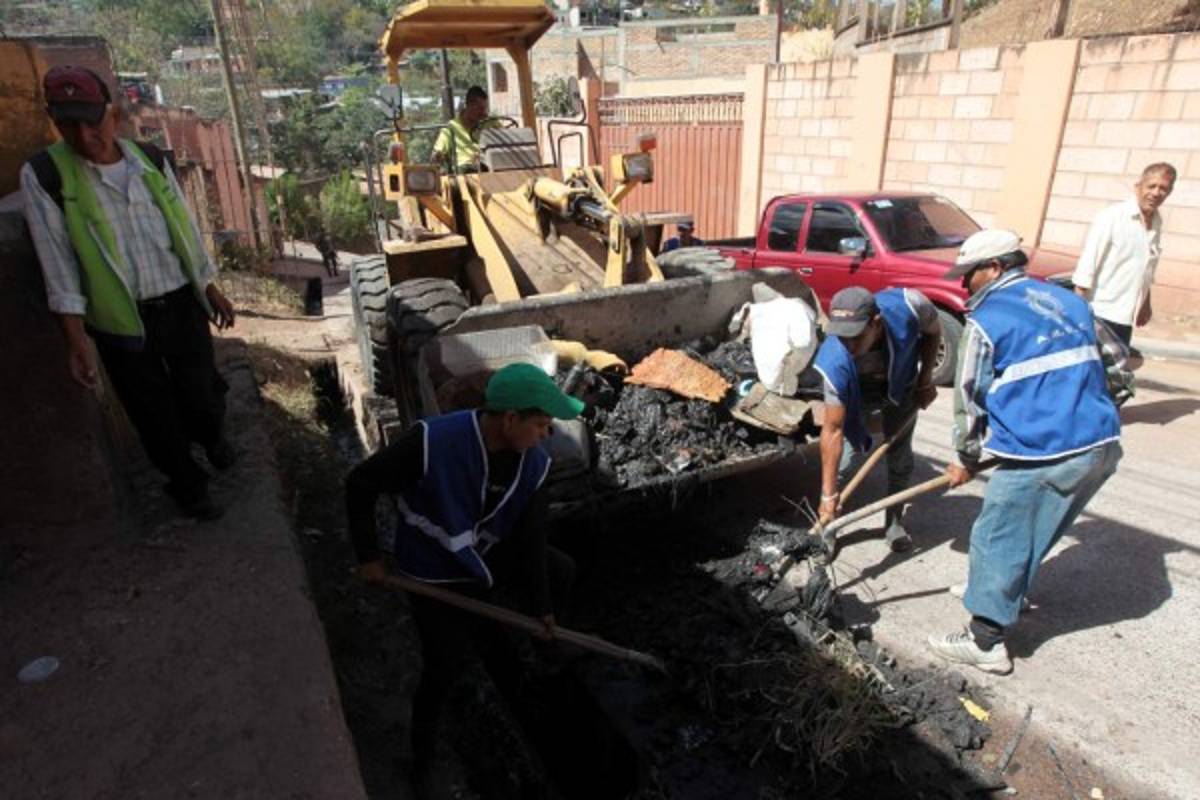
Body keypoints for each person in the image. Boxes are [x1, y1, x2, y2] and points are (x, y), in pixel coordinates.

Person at [345, 363, 581, 781]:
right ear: (510, 419)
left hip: (481, 555)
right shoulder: (432, 442)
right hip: (431, 564)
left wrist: (545, 612)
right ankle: (422, 761)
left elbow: (530, 542)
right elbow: (360, 484)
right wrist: (369, 557)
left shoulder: (533, 464)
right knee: (444, 666)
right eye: (542, 425)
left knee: (561, 568)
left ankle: (542, 652)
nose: (547, 436)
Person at [21, 65, 236, 521]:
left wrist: (209, 284)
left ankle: (210, 436)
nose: (83, 135)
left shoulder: (150, 161)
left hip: (178, 300)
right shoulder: (45, 177)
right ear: (54, 123)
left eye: (91, 121)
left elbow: (185, 229)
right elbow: (56, 262)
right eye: (68, 125)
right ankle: (187, 485)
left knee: (200, 392)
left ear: (112, 114)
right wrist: (76, 339)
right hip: (119, 318)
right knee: (151, 411)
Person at [927, 229, 1122, 675]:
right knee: (1035, 530)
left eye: (969, 275)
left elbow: (970, 396)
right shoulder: (1068, 300)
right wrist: (1086, 410)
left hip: (1046, 449)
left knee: (997, 535)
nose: (963, 284)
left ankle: (985, 641)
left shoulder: (988, 318)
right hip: (1102, 443)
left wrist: (966, 456)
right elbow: (1116, 363)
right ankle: (1003, 590)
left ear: (995, 268)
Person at [812, 286, 942, 553]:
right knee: (845, 463)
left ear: (876, 323)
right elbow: (833, 429)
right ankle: (828, 525)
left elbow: (933, 333)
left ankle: (894, 522)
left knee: (901, 459)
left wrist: (925, 381)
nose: (848, 346)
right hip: (857, 392)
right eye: (842, 337)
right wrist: (827, 495)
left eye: (856, 337)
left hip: (901, 385)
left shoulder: (911, 306)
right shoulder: (834, 361)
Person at [1072, 162, 1176, 346]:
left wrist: (1145, 304)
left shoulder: (1156, 221)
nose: (1156, 193)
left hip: (1125, 316)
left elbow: (1146, 267)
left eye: (1163, 188)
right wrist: (1076, 315)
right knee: (1094, 372)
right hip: (1099, 312)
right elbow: (1087, 265)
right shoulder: (1113, 216)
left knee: (1113, 372)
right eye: (1151, 186)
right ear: (1138, 186)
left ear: (1169, 192)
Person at [431, 85, 499, 173]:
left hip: (490, 165)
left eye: (485, 108)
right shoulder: (452, 127)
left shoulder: (491, 123)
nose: (483, 112)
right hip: (465, 169)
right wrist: (438, 160)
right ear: (468, 106)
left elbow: (506, 142)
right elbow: (438, 153)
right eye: (479, 108)